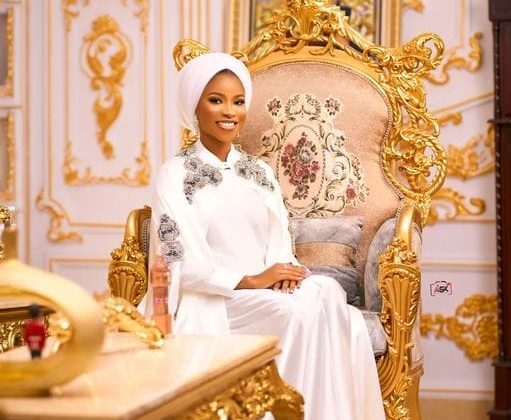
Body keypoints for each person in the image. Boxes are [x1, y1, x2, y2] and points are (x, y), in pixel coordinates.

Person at [145, 52, 385, 420]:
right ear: (194, 106)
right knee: (298, 313)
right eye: (216, 100)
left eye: (238, 101)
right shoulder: (174, 174)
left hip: (266, 292)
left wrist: (283, 274)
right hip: (214, 299)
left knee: (327, 291)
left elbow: (279, 242)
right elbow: (178, 262)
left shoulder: (258, 171)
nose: (230, 112)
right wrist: (252, 280)